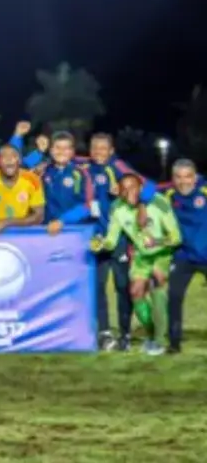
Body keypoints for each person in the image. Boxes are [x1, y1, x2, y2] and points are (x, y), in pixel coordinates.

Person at [93, 175, 181, 356]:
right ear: (119, 191)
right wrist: (101, 244)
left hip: (162, 253)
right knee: (135, 292)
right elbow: (112, 239)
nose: (129, 192)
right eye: (124, 189)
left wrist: (157, 242)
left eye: (132, 187)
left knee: (157, 283)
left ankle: (160, 340)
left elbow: (176, 237)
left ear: (141, 188)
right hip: (142, 256)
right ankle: (152, 333)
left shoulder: (159, 202)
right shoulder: (117, 207)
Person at [85, 132, 152, 351]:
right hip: (96, 240)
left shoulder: (119, 168)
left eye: (103, 148)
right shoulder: (84, 168)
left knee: (122, 287)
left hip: (120, 240)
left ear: (111, 151)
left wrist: (134, 197)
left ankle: (125, 333)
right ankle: (104, 333)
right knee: (97, 287)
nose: (98, 152)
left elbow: (148, 186)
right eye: (94, 147)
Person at [164, 159, 207, 354]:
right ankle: (174, 343)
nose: (183, 182)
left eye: (188, 177)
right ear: (173, 179)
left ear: (195, 177)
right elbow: (142, 189)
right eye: (178, 177)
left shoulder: (204, 190)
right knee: (174, 296)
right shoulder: (168, 194)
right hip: (183, 256)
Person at [0, 145, 45, 239]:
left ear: (19, 160)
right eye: (4, 156)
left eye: (13, 156)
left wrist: (5, 223)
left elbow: (39, 217)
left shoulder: (32, 180)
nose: (9, 159)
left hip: (25, 235)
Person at [39, 132, 94, 235]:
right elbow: (20, 166)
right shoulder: (43, 172)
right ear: (51, 150)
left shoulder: (82, 174)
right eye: (57, 148)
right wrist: (39, 152)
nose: (61, 152)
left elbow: (88, 205)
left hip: (75, 231)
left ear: (72, 151)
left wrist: (62, 221)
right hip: (47, 230)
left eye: (66, 148)